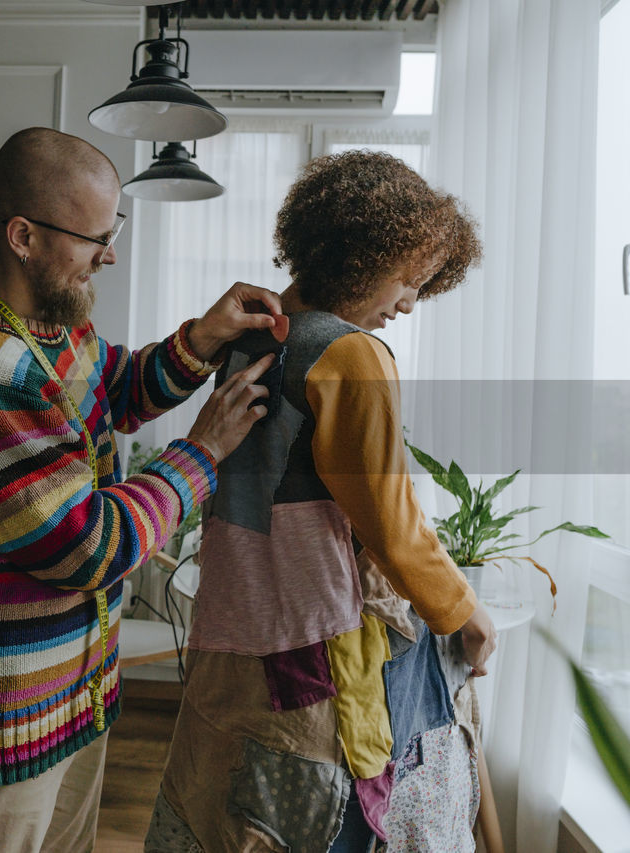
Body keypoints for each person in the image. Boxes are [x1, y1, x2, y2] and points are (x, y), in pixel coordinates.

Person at [0, 126, 282, 853]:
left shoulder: (49, 324)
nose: (110, 253)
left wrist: (200, 339)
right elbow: (89, 546)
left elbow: (113, 389)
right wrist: (201, 453)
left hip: (71, 693)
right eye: (95, 237)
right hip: (5, 713)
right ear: (23, 236)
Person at [145, 150, 496, 853]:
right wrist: (464, 610)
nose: (406, 303)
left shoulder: (251, 339)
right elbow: (391, 523)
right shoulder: (351, 354)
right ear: (364, 255)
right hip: (318, 634)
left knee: (230, 807)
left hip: (238, 621)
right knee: (331, 816)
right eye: (407, 279)